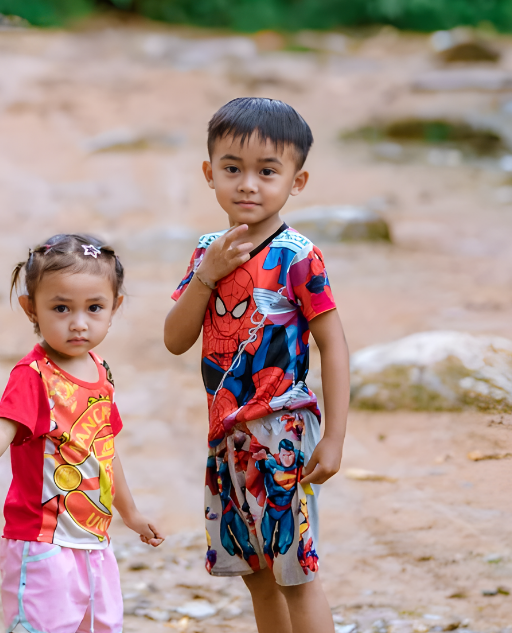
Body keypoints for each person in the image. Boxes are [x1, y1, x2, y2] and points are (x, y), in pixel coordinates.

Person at [162, 97, 352, 633]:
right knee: (257, 573)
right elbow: (176, 339)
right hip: (226, 434)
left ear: (297, 181)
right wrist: (208, 274)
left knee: (295, 571)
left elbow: (333, 346)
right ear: (209, 173)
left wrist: (333, 437)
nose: (248, 184)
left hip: (282, 430)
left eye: (267, 171)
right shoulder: (207, 252)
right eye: (232, 169)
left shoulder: (298, 257)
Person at [0, 234, 164, 633]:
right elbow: (4, 425)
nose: (78, 323)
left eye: (94, 308)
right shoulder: (34, 376)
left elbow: (105, 450)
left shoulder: (102, 372)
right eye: (61, 308)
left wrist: (130, 513)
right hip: (42, 545)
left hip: (95, 543)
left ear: (114, 307)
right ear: (31, 309)